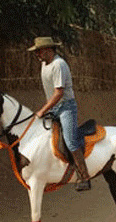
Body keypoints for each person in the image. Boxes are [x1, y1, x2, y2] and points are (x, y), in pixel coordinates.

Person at [28, 36, 91, 191]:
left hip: (66, 107)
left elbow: (58, 93)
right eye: (36, 52)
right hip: (53, 108)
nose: (37, 54)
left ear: (49, 50)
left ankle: (84, 176)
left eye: (39, 51)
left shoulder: (59, 64)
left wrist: (42, 110)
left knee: (70, 141)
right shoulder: (44, 65)